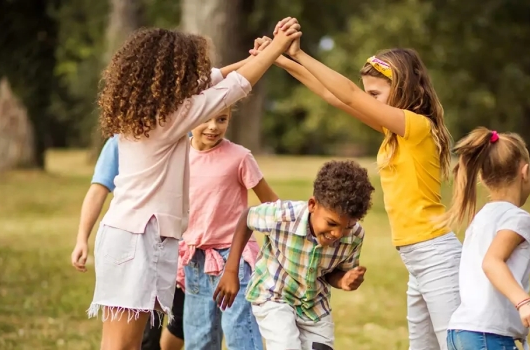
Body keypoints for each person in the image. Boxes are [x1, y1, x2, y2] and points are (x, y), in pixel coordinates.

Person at [87, 19, 302, 350]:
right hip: (135, 239)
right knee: (120, 346)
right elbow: (236, 86)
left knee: (124, 344)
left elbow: (217, 78)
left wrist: (258, 55)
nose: (195, 79)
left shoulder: (150, 110)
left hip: (135, 236)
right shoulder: (170, 117)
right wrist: (277, 45)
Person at [254, 26, 460, 350]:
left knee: (456, 344)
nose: (368, 100)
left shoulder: (416, 127)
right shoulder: (396, 131)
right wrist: (279, 58)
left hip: (435, 253)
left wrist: (299, 53)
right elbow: (334, 97)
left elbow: (349, 93)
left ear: (402, 88)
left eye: (375, 94)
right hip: (418, 257)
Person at [213, 160, 376, 350]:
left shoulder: (355, 236)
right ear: (312, 205)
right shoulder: (284, 216)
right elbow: (248, 217)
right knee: (286, 345)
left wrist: (344, 280)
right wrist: (231, 270)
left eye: (346, 226)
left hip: (314, 306)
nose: (337, 234)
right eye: (331, 223)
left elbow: (332, 273)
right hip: (274, 295)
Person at [174, 107, 278, 350]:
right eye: (205, 118)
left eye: (221, 120)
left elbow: (272, 204)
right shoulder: (176, 154)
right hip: (195, 259)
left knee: (240, 337)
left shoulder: (239, 157)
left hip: (235, 258)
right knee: (199, 341)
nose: (213, 127)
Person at [70, 136, 186, 350]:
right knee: (138, 340)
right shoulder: (119, 143)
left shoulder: (184, 136)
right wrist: (81, 239)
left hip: (180, 251)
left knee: (179, 327)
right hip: (140, 250)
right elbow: (97, 190)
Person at [440, 128, 530, 350]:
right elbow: (492, 262)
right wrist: (524, 302)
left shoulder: (481, 218)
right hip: (487, 335)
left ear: (483, 178)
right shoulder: (517, 218)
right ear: (525, 172)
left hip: (460, 332)